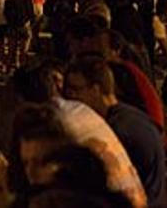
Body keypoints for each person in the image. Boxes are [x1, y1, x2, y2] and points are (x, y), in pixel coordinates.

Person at [64, 56, 165, 207]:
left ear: (96, 89)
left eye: (76, 90)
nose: (71, 98)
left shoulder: (116, 131)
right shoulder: (132, 116)